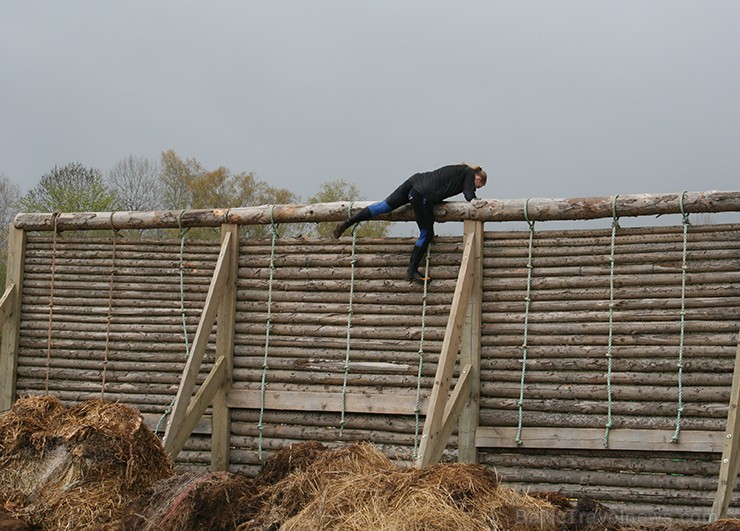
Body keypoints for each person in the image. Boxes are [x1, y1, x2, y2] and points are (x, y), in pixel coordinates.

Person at [333, 163, 487, 284]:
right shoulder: (468, 173)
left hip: (415, 181)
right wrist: (476, 201)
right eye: (478, 186)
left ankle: (347, 222)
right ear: (479, 178)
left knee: (384, 206)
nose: (476, 187)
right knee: (427, 234)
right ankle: (411, 271)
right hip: (422, 194)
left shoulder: (459, 170)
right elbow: (469, 194)